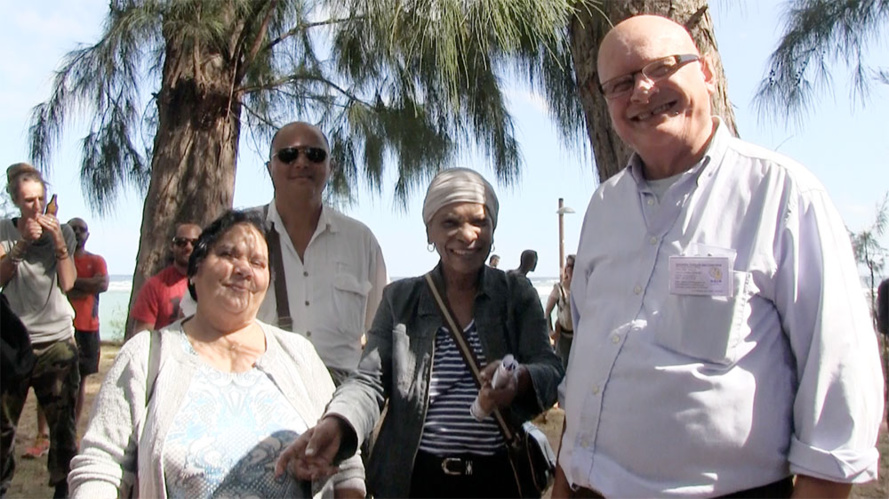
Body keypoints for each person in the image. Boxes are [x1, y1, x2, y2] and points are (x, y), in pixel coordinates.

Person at [554, 15, 884, 498]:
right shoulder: (604, 207)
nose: (642, 90)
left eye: (661, 67)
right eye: (620, 84)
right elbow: (587, 367)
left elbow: (839, 387)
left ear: (705, 72)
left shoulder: (782, 195)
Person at [276, 168, 563, 498]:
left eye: (479, 222)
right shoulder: (401, 299)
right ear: (429, 232)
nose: (467, 235)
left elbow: (550, 369)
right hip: (415, 480)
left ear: (493, 228)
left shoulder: (516, 296)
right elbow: (369, 381)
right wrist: (338, 422)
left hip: (500, 479)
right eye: (450, 223)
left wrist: (520, 380)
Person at [68, 209, 365, 498]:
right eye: (228, 255)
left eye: (258, 263)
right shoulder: (145, 356)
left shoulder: (299, 355)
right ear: (195, 270)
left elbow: (347, 467)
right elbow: (101, 466)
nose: (244, 270)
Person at [255, 121, 387, 385]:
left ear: (331, 167)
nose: (302, 163)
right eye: (288, 155)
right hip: (261, 388)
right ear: (270, 168)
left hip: (340, 395)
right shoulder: (240, 233)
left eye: (314, 155)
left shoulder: (361, 241)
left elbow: (381, 332)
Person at [0, 163, 79, 498]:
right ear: (16, 201)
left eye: (40, 199)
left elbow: (69, 282)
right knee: (3, 427)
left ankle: (64, 487)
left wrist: (58, 239)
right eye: (28, 200)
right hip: (13, 342)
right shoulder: (4, 231)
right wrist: (21, 245)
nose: (36, 207)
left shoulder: (65, 232)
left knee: (63, 428)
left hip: (56, 340)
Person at [65, 217, 109, 425]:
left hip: (88, 328)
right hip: (63, 327)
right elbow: (61, 285)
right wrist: (87, 284)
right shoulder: (59, 261)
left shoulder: (97, 260)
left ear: (88, 235)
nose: (77, 232)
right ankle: (43, 432)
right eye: (73, 228)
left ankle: (73, 425)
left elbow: (102, 285)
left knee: (80, 380)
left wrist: (73, 283)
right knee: (53, 379)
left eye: (81, 229)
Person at [129, 222, 201, 334]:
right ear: (172, 246)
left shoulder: (212, 284)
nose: (188, 247)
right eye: (181, 242)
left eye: (194, 243)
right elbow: (143, 337)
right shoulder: (154, 287)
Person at [544, 254, 574, 373]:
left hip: (580, 336)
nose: (570, 268)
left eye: (573, 265)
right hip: (564, 337)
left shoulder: (584, 287)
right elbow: (547, 311)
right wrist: (550, 331)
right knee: (563, 369)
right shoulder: (559, 289)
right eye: (568, 265)